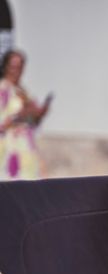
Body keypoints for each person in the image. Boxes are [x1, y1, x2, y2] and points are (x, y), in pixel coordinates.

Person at [0, 49, 51, 180]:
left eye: (20, 67)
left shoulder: (22, 91)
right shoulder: (3, 90)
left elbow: (32, 123)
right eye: (13, 67)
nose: (16, 71)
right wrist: (21, 114)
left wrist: (39, 114)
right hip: (10, 150)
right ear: (6, 67)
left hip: (26, 150)